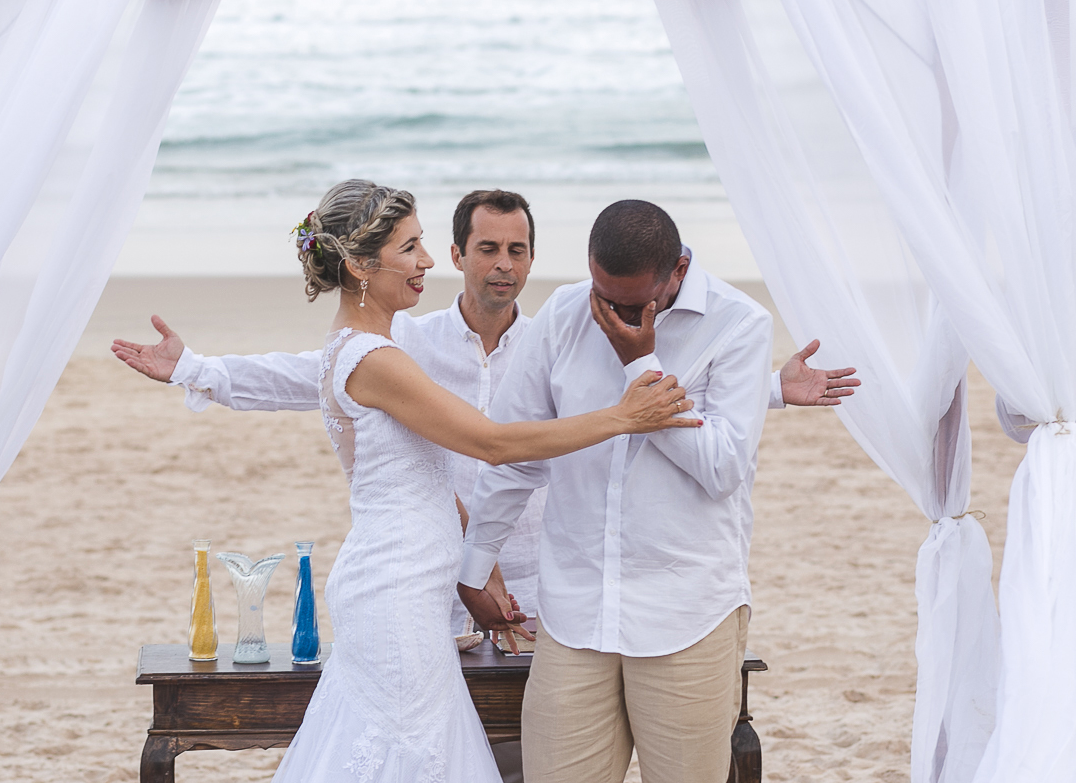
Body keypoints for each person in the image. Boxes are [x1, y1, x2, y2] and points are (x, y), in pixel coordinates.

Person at [112, 188, 860, 783]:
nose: (436, 261)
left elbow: (703, 440)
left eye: (519, 250)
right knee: (420, 750)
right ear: (367, 264)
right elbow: (500, 444)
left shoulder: (684, 324)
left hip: (595, 595)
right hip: (442, 592)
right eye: (421, 248)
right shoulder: (407, 346)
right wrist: (199, 371)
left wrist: (760, 389)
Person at [457, 199, 777, 783]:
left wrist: (640, 365)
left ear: (677, 270)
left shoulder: (739, 324)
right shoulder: (564, 312)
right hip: (575, 613)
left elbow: (723, 468)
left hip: (687, 612)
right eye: (603, 296)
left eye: (632, 303)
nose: (612, 314)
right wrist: (475, 565)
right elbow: (516, 451)